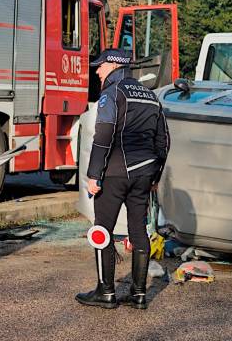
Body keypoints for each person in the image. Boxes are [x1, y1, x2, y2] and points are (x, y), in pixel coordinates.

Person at [75, 48, 170, 310]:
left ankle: (105, 293)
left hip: (115, 173)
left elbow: (103, 136)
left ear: (114, 66)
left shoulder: (112, 94)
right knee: (138, 231)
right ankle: (139, 295)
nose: (97, 70)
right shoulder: (151, 96)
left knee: (101, 229)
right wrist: (155, 175)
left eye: (100, 66)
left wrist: (94, 174)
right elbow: (164, 141)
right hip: (144, 175)